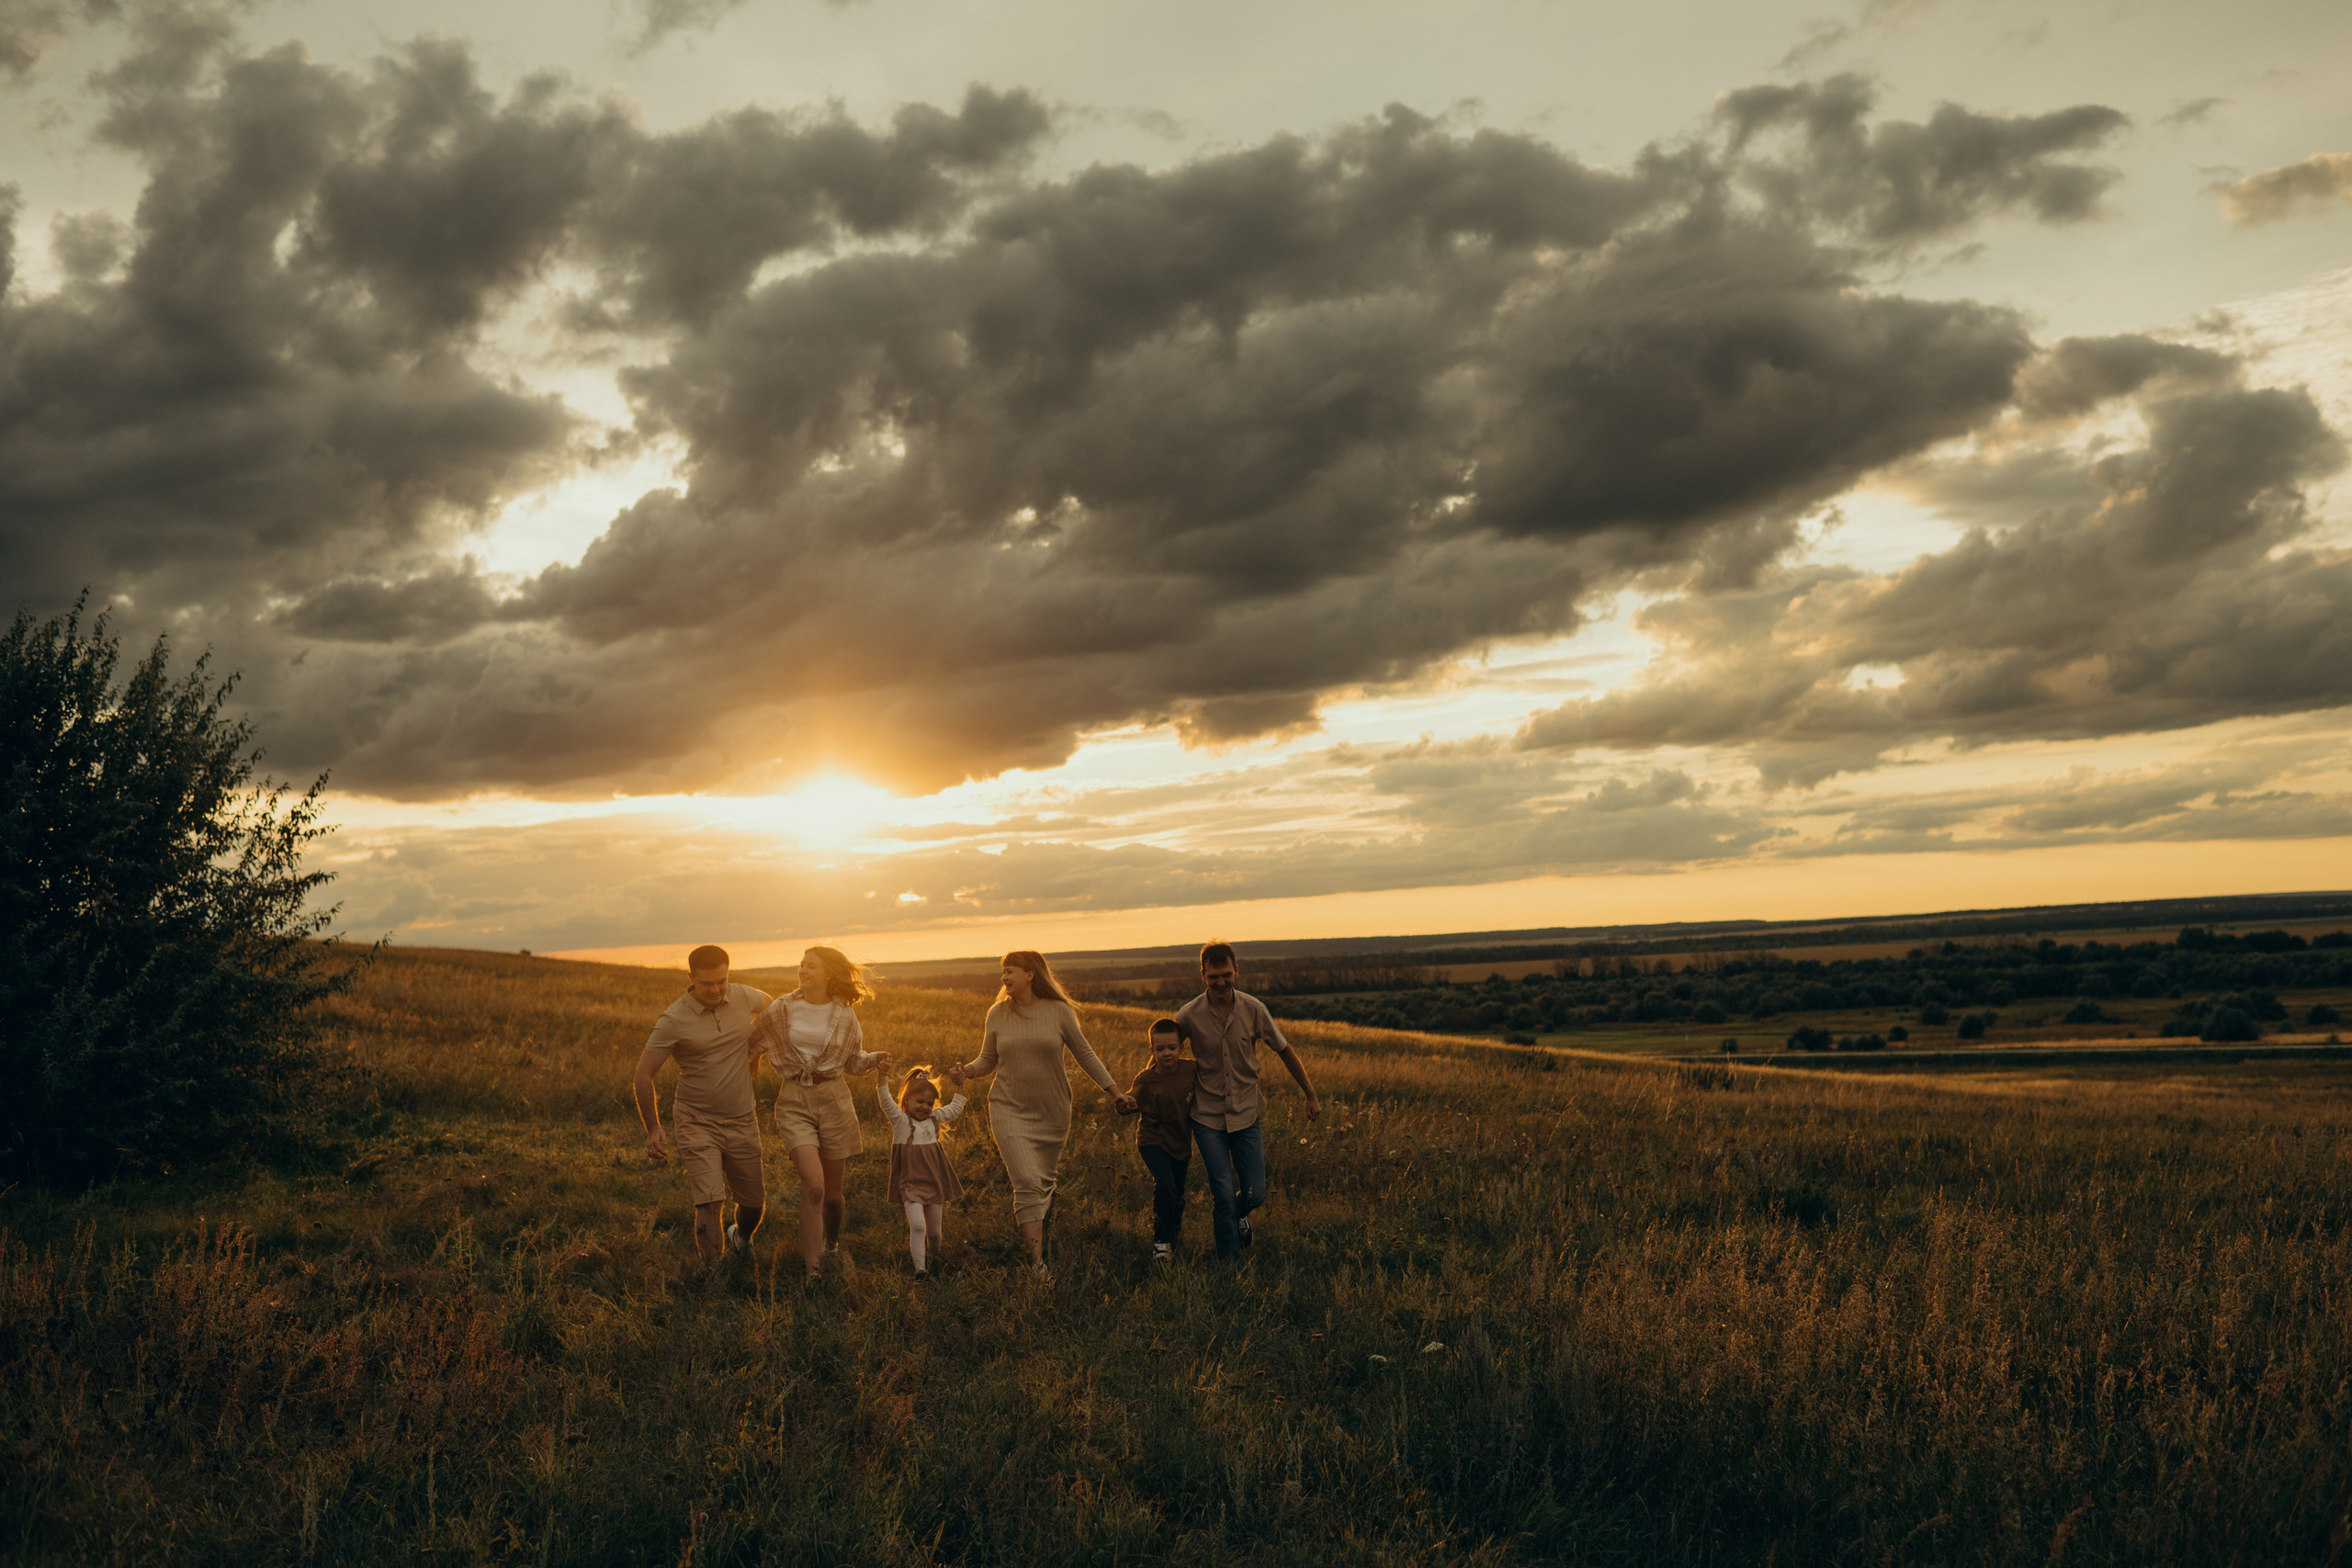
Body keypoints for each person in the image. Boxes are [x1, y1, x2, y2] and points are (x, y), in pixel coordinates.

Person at [950, 950, 1121, 1276]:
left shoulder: (1059, 1011)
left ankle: (1041, 1235)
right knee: (1027, 1181)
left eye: (1010, 971)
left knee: (1043, 1181)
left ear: (1030, 974)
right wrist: (967, 1072)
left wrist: (1114, 1092)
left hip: (1052, 1111)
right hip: (1008, 1108)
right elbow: (988, 1059)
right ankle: (1037, 1263)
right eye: (1002, 972)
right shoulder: (997, 1013)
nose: (1004, 978)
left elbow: (1085, 1054)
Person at [1174, 941, 1321, 1261]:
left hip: (1246, 1113)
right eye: (1213, 976)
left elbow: (1283, 1049)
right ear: (1203, 975)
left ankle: (1242, 1217)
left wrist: (1309, 1093)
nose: (1221, 982)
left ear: (1236, 971)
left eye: (1226, 974)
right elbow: (1165, 1054)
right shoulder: (1188, 1015)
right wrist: (1139, 1092)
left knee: (1256, 1194)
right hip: (1207, 1117)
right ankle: (1230, 1266)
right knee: (1223, 1194)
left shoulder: (1254, 1009)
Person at [747, 945, 886, 1281]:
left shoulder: (845, 1015)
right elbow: (750, 1045)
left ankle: (832, 1243)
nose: (803, 971)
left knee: (834, 1197)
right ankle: (813, 1273)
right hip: (794, 1100)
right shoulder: (781, 1009)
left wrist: (873, 1059)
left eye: (811, 966)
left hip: (834, 1098)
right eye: (801, 965)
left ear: (828, 974)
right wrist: (743, 1085)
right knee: (814, 1188)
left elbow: (852, 1062)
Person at [632, 944, 773, 1268]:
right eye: (707, 983)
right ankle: (713, 1278)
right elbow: (643, 1076)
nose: (716, 989)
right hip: (696, 1120)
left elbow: (771, 1008)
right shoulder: (673, 1019)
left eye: (721, 981)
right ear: (691, 978)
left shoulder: (742, 995)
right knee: (709, 1201)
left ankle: (743, 1237)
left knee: (753, 1203)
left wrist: (756, 1050)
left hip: (742, 1118)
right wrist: (653, 1128)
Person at [875, 1061, 967, 1277]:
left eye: (929, 1103)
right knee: (918, 1227)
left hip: (934, 1181)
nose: (925, 1107)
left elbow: (955, 1108)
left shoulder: (934, 1119)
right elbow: (885, 1101)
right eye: (919, 1101)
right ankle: (920, 1270)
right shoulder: (900, 1121)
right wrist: (882, 1075)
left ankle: (934, 1259)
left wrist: (960, 1085)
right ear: (906, 1100)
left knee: (934, 1233)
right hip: (910, 1184)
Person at [1116, 1017, 1197, 1261]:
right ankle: (1161, 1244)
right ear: (1152, 1051)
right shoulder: (1146, 1078)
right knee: (1165, 1186)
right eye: (1160, 1049)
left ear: (1181, 1048)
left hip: (1181, 1143)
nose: (1167, 1054)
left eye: (1172, 1048)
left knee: (1177, 1193)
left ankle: (1173, 1231)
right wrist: (1124, 1103)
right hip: (1152, 1141)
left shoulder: (1191, 1069)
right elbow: (1127, 1102)